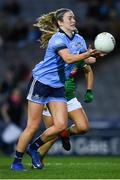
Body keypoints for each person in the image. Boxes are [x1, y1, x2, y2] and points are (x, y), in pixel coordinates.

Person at [11, 8, 101, 171]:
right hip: (41, 83)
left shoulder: (79, 39)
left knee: (60, 126)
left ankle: (33, 148)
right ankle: (16, 161)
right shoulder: (57, 39)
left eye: (74, 17)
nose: (73, 20)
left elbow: (87, 60)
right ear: (60, 22)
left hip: (58, 86)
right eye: (69, 18)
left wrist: (97, 54)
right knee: (32, 126)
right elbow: (68, 58)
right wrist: (86, 54)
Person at [38, 63, 94, 166]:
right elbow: (40, 78)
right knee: (52, 136)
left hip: (69, 99)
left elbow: (88, 70)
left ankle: (65, 134)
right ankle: (37, 158)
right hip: (51, 100)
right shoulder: (52, 59)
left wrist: (89, 90)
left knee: (83, 128)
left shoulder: (78, 56)